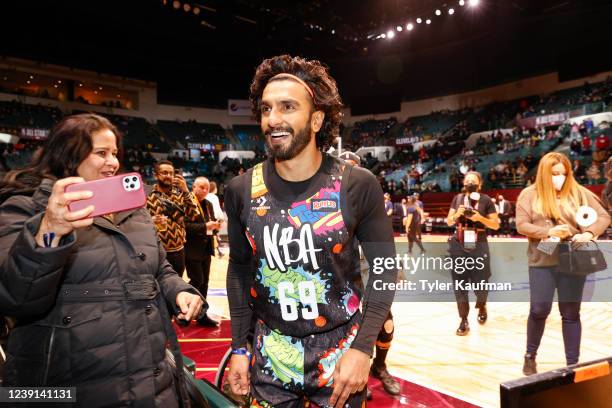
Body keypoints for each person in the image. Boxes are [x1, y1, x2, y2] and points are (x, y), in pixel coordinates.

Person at [224, 55, 397, 408]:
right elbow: (239, 271)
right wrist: (239, 347)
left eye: (288, 107)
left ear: (317, 119)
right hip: (270, 356)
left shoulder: (356, 185)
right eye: (267, 109)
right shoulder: (241, 189)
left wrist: (364, 349)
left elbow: (384, 270)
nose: (273, 120)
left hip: (340, 356)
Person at [0, 113, 204, 406]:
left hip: (153, 381)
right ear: (69, 154)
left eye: (114, 153)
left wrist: (180, 291)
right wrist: (49, 231)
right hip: (69, 386)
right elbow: (16, 297)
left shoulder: (134, 208)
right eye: (101, 153)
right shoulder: (25, 207)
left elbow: (159, 270)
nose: (113, 162)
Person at [515, 152, 610, 375]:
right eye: (554, 173)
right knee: (539, 309)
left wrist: (588, 233)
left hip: (573, 260)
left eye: (563, 173)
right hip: (542, 259)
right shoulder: (529, 195)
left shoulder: (579, 192)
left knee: (570, 313)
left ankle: (572, 363)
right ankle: (530, 355)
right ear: (543, 173)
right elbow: (521, 225)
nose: (559, 177)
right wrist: (548, 231)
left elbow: (603, 216)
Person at [338, 151, 400, 398]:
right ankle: (351, 371)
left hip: (370, 271)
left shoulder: (371, 198)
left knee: (385, 323)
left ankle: (380, 367)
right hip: (343, 276)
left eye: (354, 168)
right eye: (346, 167)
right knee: (347, 327)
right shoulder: (329, 202)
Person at [446, 171, 500, 335]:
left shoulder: (486, 200)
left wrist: (480, 218)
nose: (470, 182)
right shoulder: (457, 199)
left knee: (481, 281)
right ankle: (463, 320)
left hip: (479, 244)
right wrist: (457, 214)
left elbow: (495, 225)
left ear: (480, 184)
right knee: (459, 283)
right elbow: (449, 221)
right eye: (467, 180)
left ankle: (481, 304)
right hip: (459, 244)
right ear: (464, 183)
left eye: (473, 180)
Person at [146, 160, 199, 276]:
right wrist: (151, 221)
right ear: (156, 175)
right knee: (156, 288)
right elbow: (137, 221)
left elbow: (194, 215)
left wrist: (186, 191)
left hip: (178, 252)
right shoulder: (147, 195)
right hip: (155, 252)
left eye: (171, 173)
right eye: (164, 173)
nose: (168, 176)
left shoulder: (180, 193)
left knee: (176, 286)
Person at [185, 176, 221, 327]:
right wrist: (206, 227)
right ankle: (185, 309)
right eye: (201, 187)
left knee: (205, 283)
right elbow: (185, 226)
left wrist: (214, 227)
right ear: (194, 187)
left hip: (206, 249)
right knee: (197, 281)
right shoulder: (188, 203)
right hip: (191, 249)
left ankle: (202, 314)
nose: (205, 190)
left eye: (207, 188)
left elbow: (210, 222)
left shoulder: (208, 204)